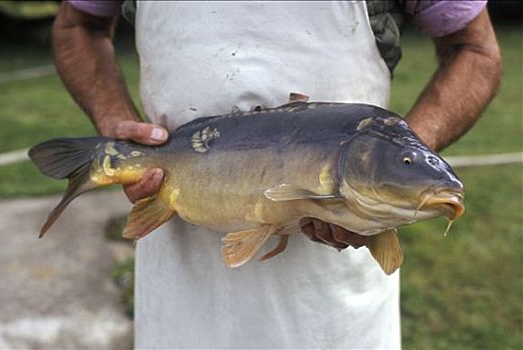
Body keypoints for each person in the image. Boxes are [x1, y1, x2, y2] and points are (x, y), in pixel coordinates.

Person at [52, 1, 501, 348]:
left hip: (334, 285)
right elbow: (77, 25)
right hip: (181, 264)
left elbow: (475, 48)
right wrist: (117, 124)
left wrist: (394, 159)